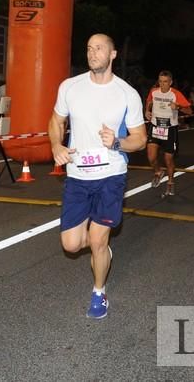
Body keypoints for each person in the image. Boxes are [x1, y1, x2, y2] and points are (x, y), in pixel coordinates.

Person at [49, 33, 147, 319]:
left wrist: (116, 142)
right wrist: (56, 144)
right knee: (71, 244)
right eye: (89, 48)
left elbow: (140, 139)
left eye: (99, 48)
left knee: (98, 240)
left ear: (113, 54)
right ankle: (100, 250)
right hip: (78, 175)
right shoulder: (70, 87)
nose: (93, 53)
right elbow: (56, 120)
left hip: (110, 175)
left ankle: (98, 293)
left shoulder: (126, 93)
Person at [145, 70, 192, 196]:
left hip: (170, 129)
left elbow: (189, 111)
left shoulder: (176, 94)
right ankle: (158, 172)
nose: (162, 84)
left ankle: (170, 182)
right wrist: (147, 111)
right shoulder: (153, 91)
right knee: (151, 157)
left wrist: (178, 107)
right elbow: (149, 101)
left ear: (170, 82)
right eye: (160, 81)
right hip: (155, 127)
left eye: (165, 82)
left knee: (168, 159)